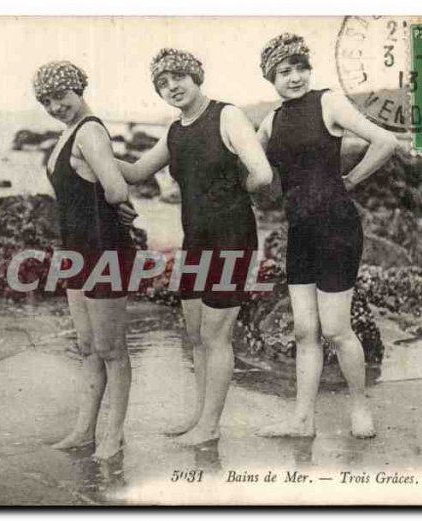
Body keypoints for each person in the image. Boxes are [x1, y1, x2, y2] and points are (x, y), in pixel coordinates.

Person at [116, 48, 273, 446]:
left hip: (231, 237)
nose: (172, 87)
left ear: (196, 76)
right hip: (195, 241)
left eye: (178, 78)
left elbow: (262, 172)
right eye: (163, 83)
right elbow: (135, 172)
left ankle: (211, 426)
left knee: (217, 337)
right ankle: (200, 416)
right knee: (196, 334)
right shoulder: (175, 131)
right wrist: (92, 146)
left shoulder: (227, 115)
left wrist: (236, 197)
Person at [255, 33, 398, 439]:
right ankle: (302, 420)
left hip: (337, 228)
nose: (296, 77)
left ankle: (360, 408)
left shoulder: (328, 102)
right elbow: (249, 161)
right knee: (304, 331)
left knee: (336, 329)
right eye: (285, 71)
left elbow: (385, 141)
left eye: (301, 67)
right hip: (299, 232)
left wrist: (351, 179)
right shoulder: (271, 120)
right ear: (271, 78)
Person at [33, 60, 135, 460]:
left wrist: (121, 205)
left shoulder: (90, 130)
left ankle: (113, 435)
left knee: (111, 348)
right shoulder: (69, 133)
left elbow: (113, 188)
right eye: (47, 100)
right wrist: (122, 203)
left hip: (104, 250)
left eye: (62, 96)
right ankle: (83, 431)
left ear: (79, 89)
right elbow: (109, 186)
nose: (56, 106)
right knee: (88, 346)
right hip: (77, 251)